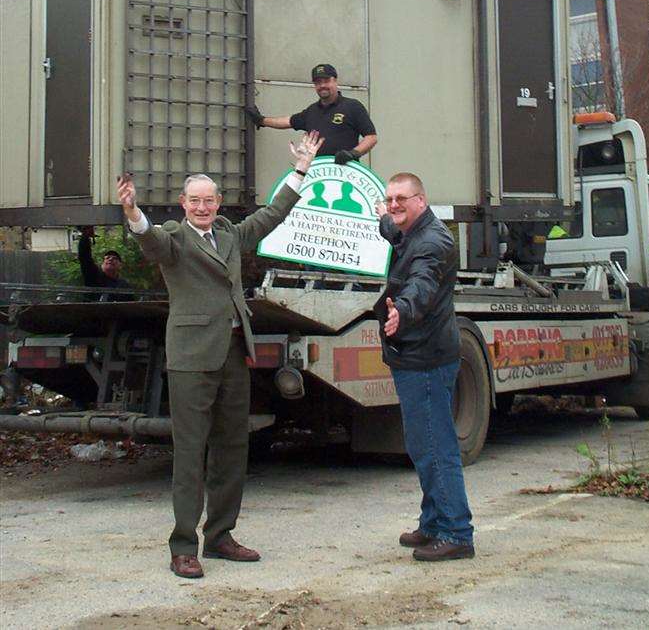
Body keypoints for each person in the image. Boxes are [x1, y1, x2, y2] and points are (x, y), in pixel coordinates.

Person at [116, 130, 323, 579]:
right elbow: (150, 242)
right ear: (183, 203)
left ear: (219, 202)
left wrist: (301, 169)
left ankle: (221, 535)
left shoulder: (229, 234)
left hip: (233, 352)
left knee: (232, 447)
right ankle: (183, 546)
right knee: (190, 452)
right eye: (195, 200)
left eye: (209, 200)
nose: (203, 207)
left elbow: (271, 217)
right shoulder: (174, 237)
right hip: (191, 358)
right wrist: (133, 212)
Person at [374, 173, 474, 562]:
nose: (395, 204)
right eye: (390, 198)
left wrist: (404, 310)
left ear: (421, 199)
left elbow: (422, 282)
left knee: (435, 444)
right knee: (422, 444)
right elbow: (395, 233)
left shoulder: (433, 242)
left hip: (426, 357)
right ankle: (433, 523)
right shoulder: (411, 230)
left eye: (402, 198)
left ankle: (456, 532)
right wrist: (383, 217)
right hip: (416, 354)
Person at [245, 63, 377, 164]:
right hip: (317, 176)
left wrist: (353, 154)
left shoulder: (352, 106)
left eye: (326, 81)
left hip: (346, 173)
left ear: (335, 81)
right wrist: (261, 120)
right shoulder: (311, 111)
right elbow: (288, 121)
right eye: (318, 82)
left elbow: (371, 137)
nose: (322, 85)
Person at [77, 226, 132, 302]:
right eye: (107, 257)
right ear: (102, 264)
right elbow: (85, 257)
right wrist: (85, 236)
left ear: (120, 265)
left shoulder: (124, 285)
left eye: (115, 258)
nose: (110, 259)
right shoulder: (93, 276)